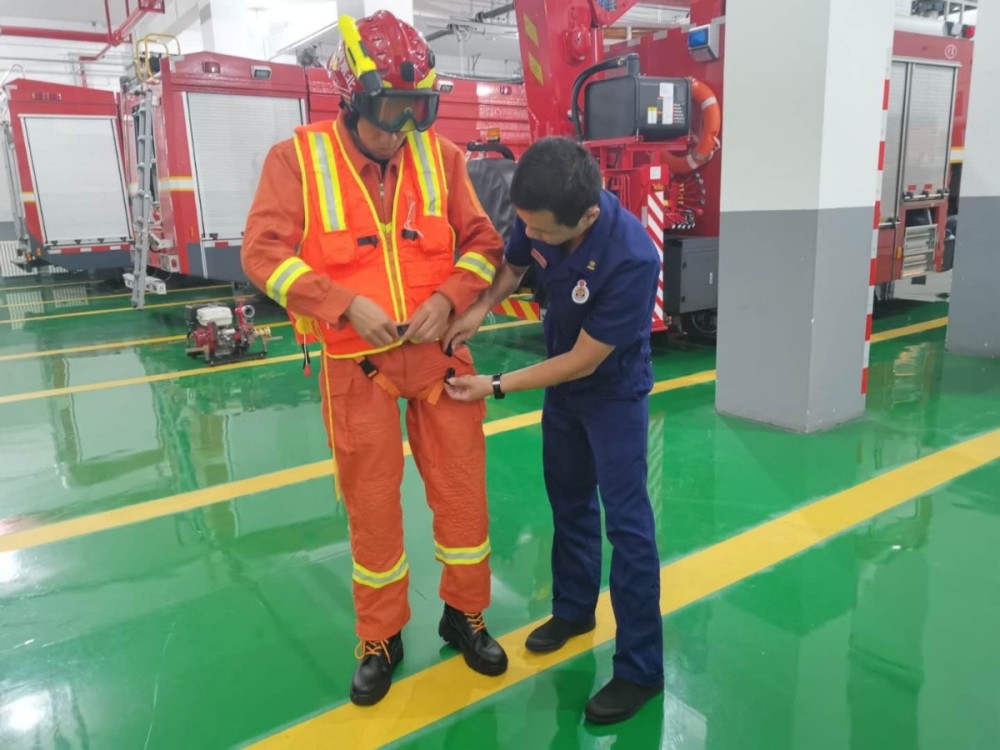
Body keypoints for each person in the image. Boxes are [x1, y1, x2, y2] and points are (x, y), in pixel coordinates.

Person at [241, 10, 508, 706]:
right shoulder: (296, 160)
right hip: (354, 366)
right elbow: (262, 254)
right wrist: (341, 303)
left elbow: (484, 243)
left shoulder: (441, 157)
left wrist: (451, 298)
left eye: (420, 109)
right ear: (352, 98)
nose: (404, 128)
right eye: (393, 109)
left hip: (440, 360)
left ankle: (465, 614)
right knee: (372, 509)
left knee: (461, 498)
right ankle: (380, 637)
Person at [444, 136, 664, 724]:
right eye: (527, 224)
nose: (531, 236)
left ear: (586, 216)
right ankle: (574, 610)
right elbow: (514, 265)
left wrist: (495, 384)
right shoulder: (540, 211)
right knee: (568, 502)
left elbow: (585, 360)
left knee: (629, 526)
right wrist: (478, 310)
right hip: (563, 391)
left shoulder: (632, 258)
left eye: (543, 231)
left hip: (611, 391)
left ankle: (641, 669)